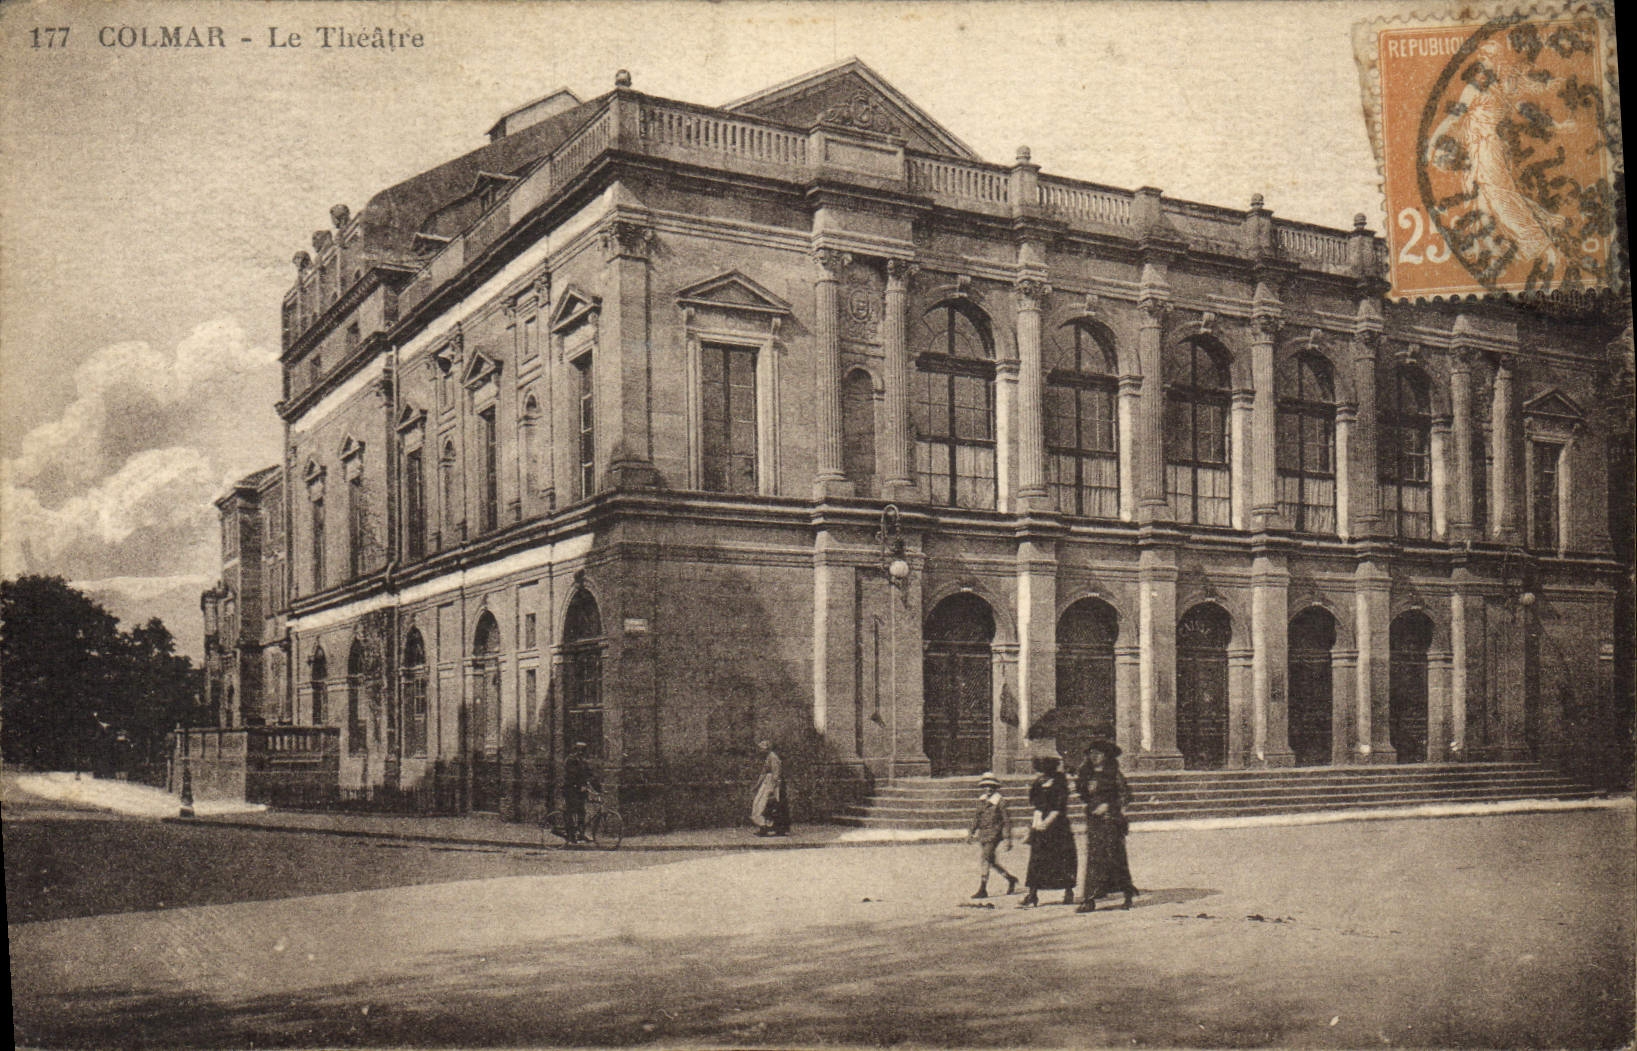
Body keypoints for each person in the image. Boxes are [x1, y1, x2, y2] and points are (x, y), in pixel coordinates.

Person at [1075, 735, 1139, 912]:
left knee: (1115, 857)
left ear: (1106, 756)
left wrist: (1109, 806)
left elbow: (1126, 796)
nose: (1094, 756)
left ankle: (1127, 893)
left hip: (1111, 821)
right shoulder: (1086, 774)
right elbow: (1083, 794)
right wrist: (1090, 803)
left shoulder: (1114, 774)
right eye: (1091, 753)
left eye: (1099, 753)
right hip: (1094, 822)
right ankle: (1089, 899)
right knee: (1094, 858)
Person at [1019, 751, 1077, 907]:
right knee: (1037, 860)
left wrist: (1048, 821)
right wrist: (1035, 825)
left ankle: (1068, 891)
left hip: (1058, 827)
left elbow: (1059, 806)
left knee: (1063, 859)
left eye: (1045, 769)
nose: (1042, 773)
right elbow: (1037, 806)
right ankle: (1032, 894)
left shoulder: (1060, 782)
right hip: (1041, 824)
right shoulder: (1038, 783)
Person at [966, 771, 1017, 898]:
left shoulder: (1000, 801)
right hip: (983, 834)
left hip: (994, 834)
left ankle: (983, 889)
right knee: (991, 861)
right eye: (985, 786)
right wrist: (971, 832)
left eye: (991, 786)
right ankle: (1010, 878)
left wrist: (1007, 839)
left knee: (985, 858)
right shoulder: (981, 801)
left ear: (995, 788)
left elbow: (1006, 821)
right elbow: (976, 817)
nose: (988, 788)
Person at [562, 741, 600, 843]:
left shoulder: (583, 762)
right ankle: (570, 834)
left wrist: (598, 788)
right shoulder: (570, 760)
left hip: (580, 791)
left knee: (582, 812)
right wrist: (580, 785)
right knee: (571, 811)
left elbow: (590, 775)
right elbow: (572, 775)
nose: (583, 753)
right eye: (581, 751)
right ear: (576, 750)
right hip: (570, 789)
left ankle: (581, 834)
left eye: (584, 751)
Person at [750, 739, 790, 836]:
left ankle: (771, 828)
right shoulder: (768, 757)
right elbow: (763, 773)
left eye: (762, 748)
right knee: (760, 804)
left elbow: (776, 774)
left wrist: (774, 789)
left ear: (767, 748)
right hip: (767, 783)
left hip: (772, 784)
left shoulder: (773, 757)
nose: (760, 751)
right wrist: (756, 786)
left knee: (769, 805)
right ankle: (764, 826)